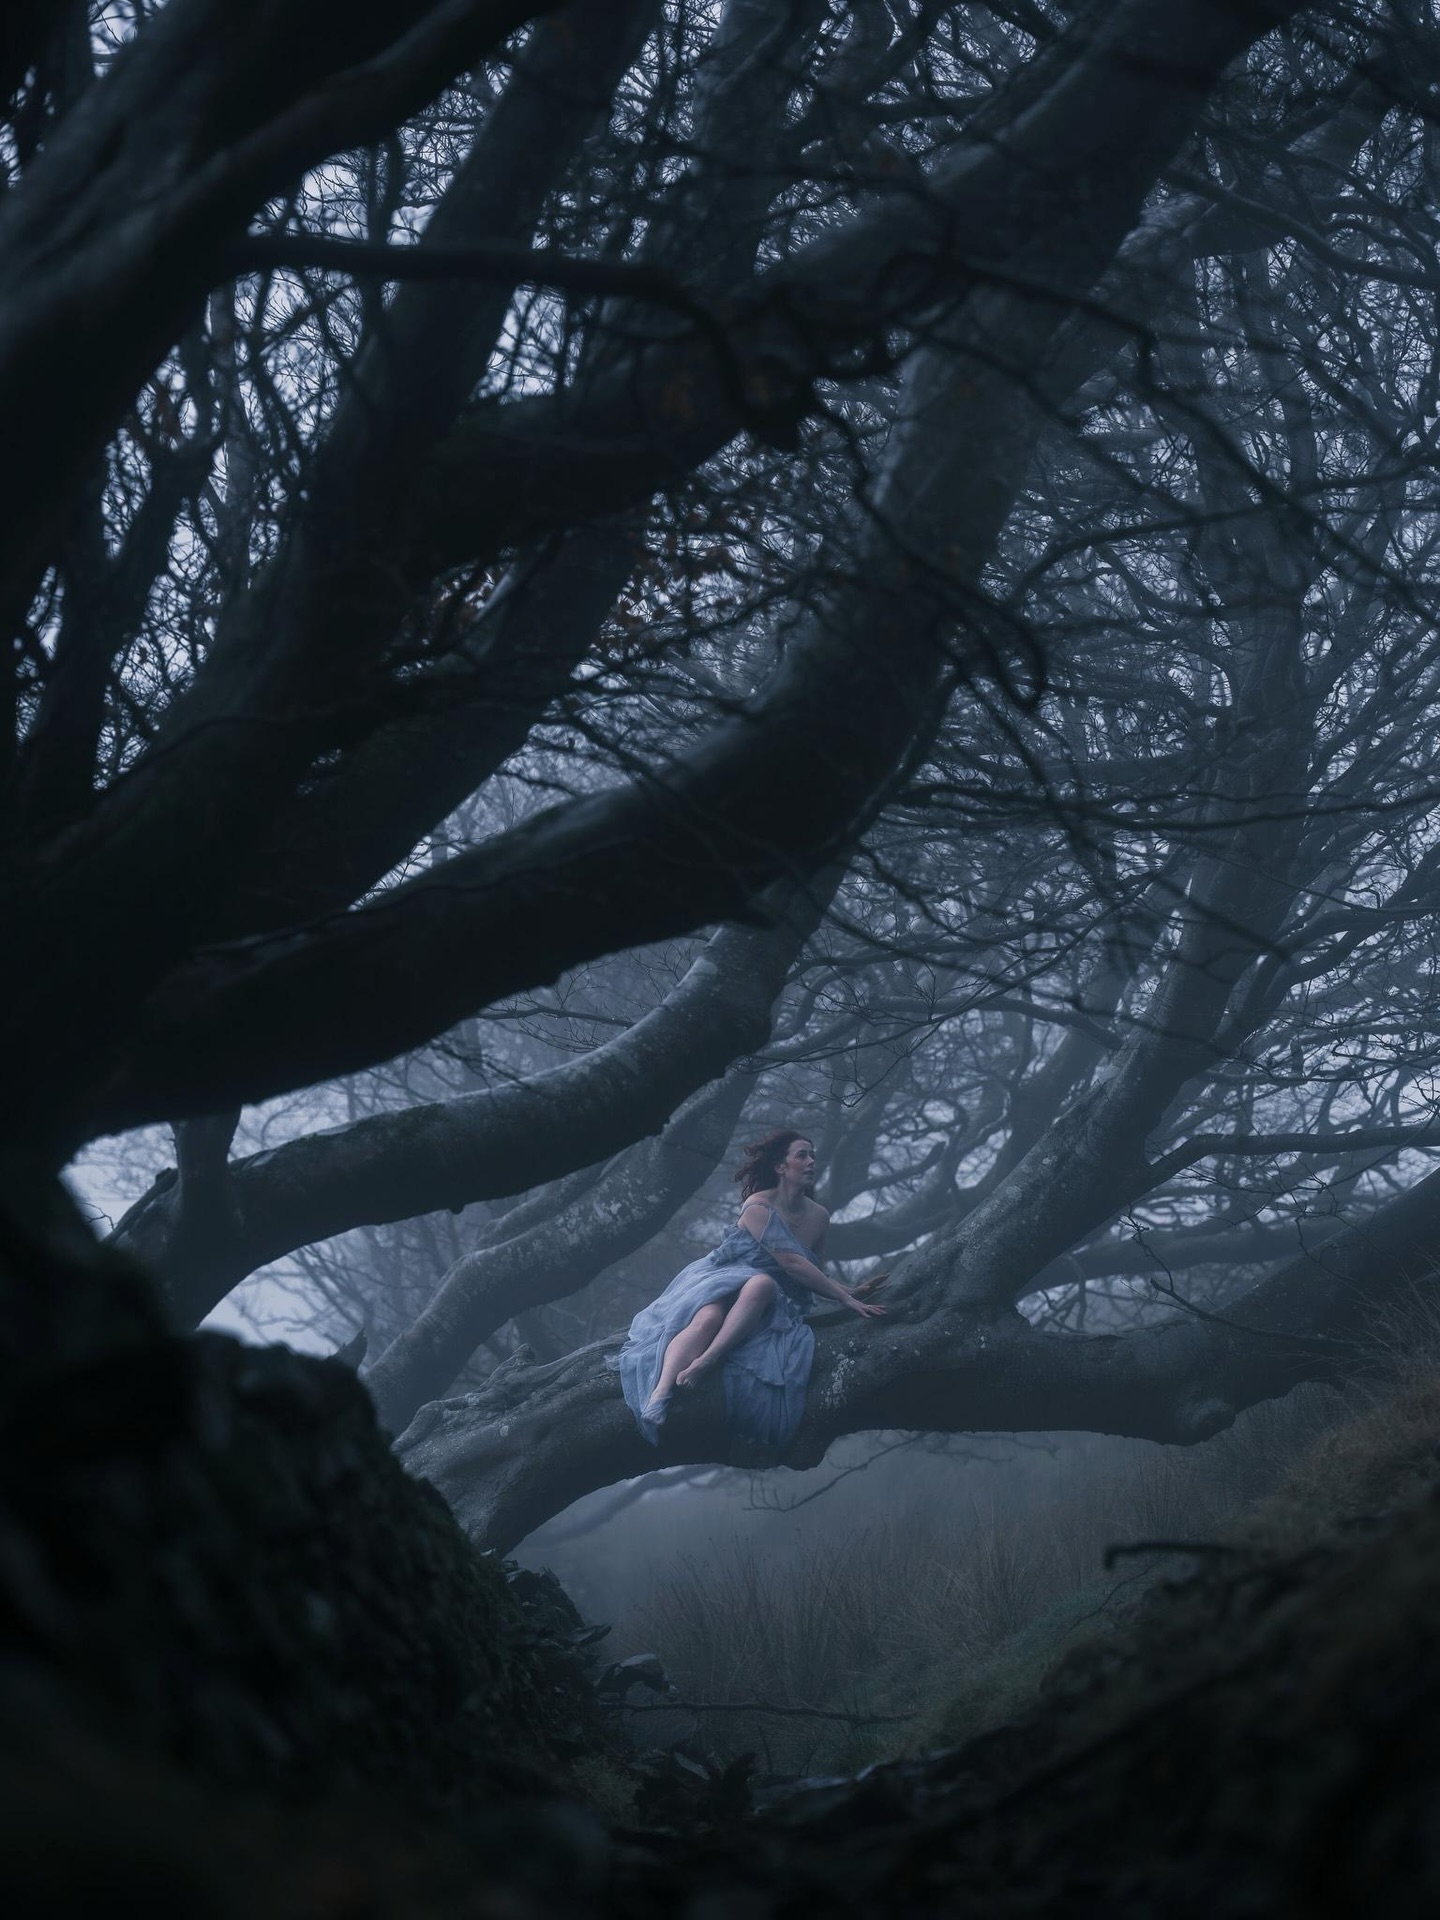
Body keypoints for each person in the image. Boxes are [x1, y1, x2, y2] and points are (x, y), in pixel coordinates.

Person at [615, 1128, 886, 1449]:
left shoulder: (819, 1217)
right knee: (709, 1318)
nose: (811, 1161)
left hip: (773, 1299)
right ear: (780, 1166)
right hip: (724, 1280)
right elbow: (791, 1263)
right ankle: (659, 1394)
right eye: (802, 1155)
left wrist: (850, 1291)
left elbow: (811, 1269)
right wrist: (844, 1298)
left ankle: (706, 1361)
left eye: (812, 1154)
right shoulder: (757, 1206)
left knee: (761, 1285)